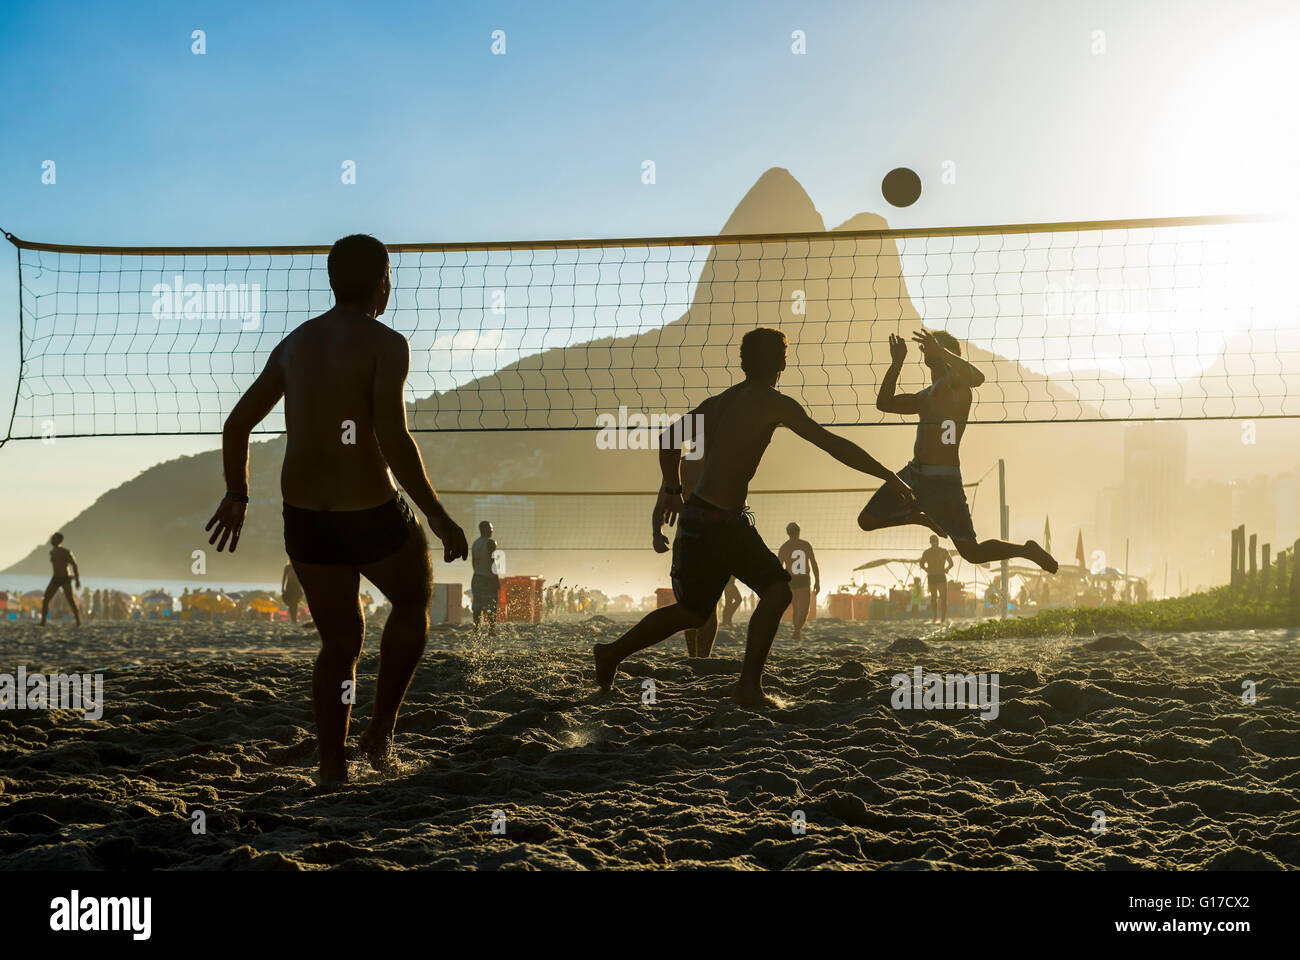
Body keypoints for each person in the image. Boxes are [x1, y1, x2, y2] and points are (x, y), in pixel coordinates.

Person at [205, 233, 468, 785]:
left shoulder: (296, 343)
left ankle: (332, 766)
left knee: (341, 642)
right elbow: (393, 439)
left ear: (331, 282)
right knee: (414, 600)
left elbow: (236, 425)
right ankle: (380, 732)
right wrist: (438, 514)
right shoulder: (386, 343)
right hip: (369, 511)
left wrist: (237, 494)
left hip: (306, 519)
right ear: (382, 283)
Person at [595, 327, 915, 705]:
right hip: (715, 522)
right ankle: (619, 654)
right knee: (713, 608)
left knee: (717, 607)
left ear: (745, 362)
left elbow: (668, 440)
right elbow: (832, 444)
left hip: (717, 519)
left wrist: (671, 488)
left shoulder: (718, 402)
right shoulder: (773, 402)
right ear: (782, 363)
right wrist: (888, 474)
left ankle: (732, 683)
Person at [859, 329, 1057, 574]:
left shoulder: (958, 386)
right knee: (866, 521)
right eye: (928, 346)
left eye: (933, 346)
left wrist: (941, 351)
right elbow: (884, 404)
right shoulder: (926, 396)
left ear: (946, 353)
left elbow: (979, 377)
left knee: (972, 553)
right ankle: (919, 517)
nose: (927, 349)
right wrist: (897, 362)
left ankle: (1026, 550)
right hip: (914, 474)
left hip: (944, 480)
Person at [777, 522, 819, 642]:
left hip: (790, 579)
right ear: (799, 531)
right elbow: (814, 563)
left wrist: (780, 583)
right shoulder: (805, 545)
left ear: (787, 533)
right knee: (804, 608)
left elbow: (779, 568)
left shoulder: (784, 547)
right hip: (803, 578)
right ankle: (797, 631)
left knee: (796, 607)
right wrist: (817, 581)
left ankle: (797, 632)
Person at [41, 532, 81, 626]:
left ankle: (78, 621)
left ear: (59, 540)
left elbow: (74, 565)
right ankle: (43, 621)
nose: (52, 540)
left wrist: (77, 580)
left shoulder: (66, 552)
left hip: (65, 578)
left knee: (70, 600)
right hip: (55, 578)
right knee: (46, 599)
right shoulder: (52, 552)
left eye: (54, 538)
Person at [470, 521, 500, 635]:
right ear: (486, 530)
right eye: (491, 529)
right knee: (492, 605)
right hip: (487, 578)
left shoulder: (475, 544)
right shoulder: (491, 543)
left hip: (476, 577)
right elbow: (493, 562)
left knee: (477, 605)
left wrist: (478, 572)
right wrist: (496, 579)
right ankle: (491, 630)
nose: (492, 531)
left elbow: (473, 562)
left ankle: (476, 630)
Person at [920, 534, 953, 622]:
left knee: (935, 598)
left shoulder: (927, 552)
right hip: (939, 575)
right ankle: (941, 618)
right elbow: (951, 563)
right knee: (941, 598)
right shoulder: (943, 551)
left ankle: (936, 617)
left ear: (930, 542)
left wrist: (927, 569)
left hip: (933, 576)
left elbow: (921, 564)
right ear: (937, 542)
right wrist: (947, 569)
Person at [282, 559, 305, 624]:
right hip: (289, 587)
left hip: (296, 587)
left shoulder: (298, 566)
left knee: (295, 603)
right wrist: (282, 588)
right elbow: (284, 578)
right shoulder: (287, 567)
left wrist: (302, 587)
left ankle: (294, 618)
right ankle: (292, 618)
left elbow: (301, 577)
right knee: (290, 603)